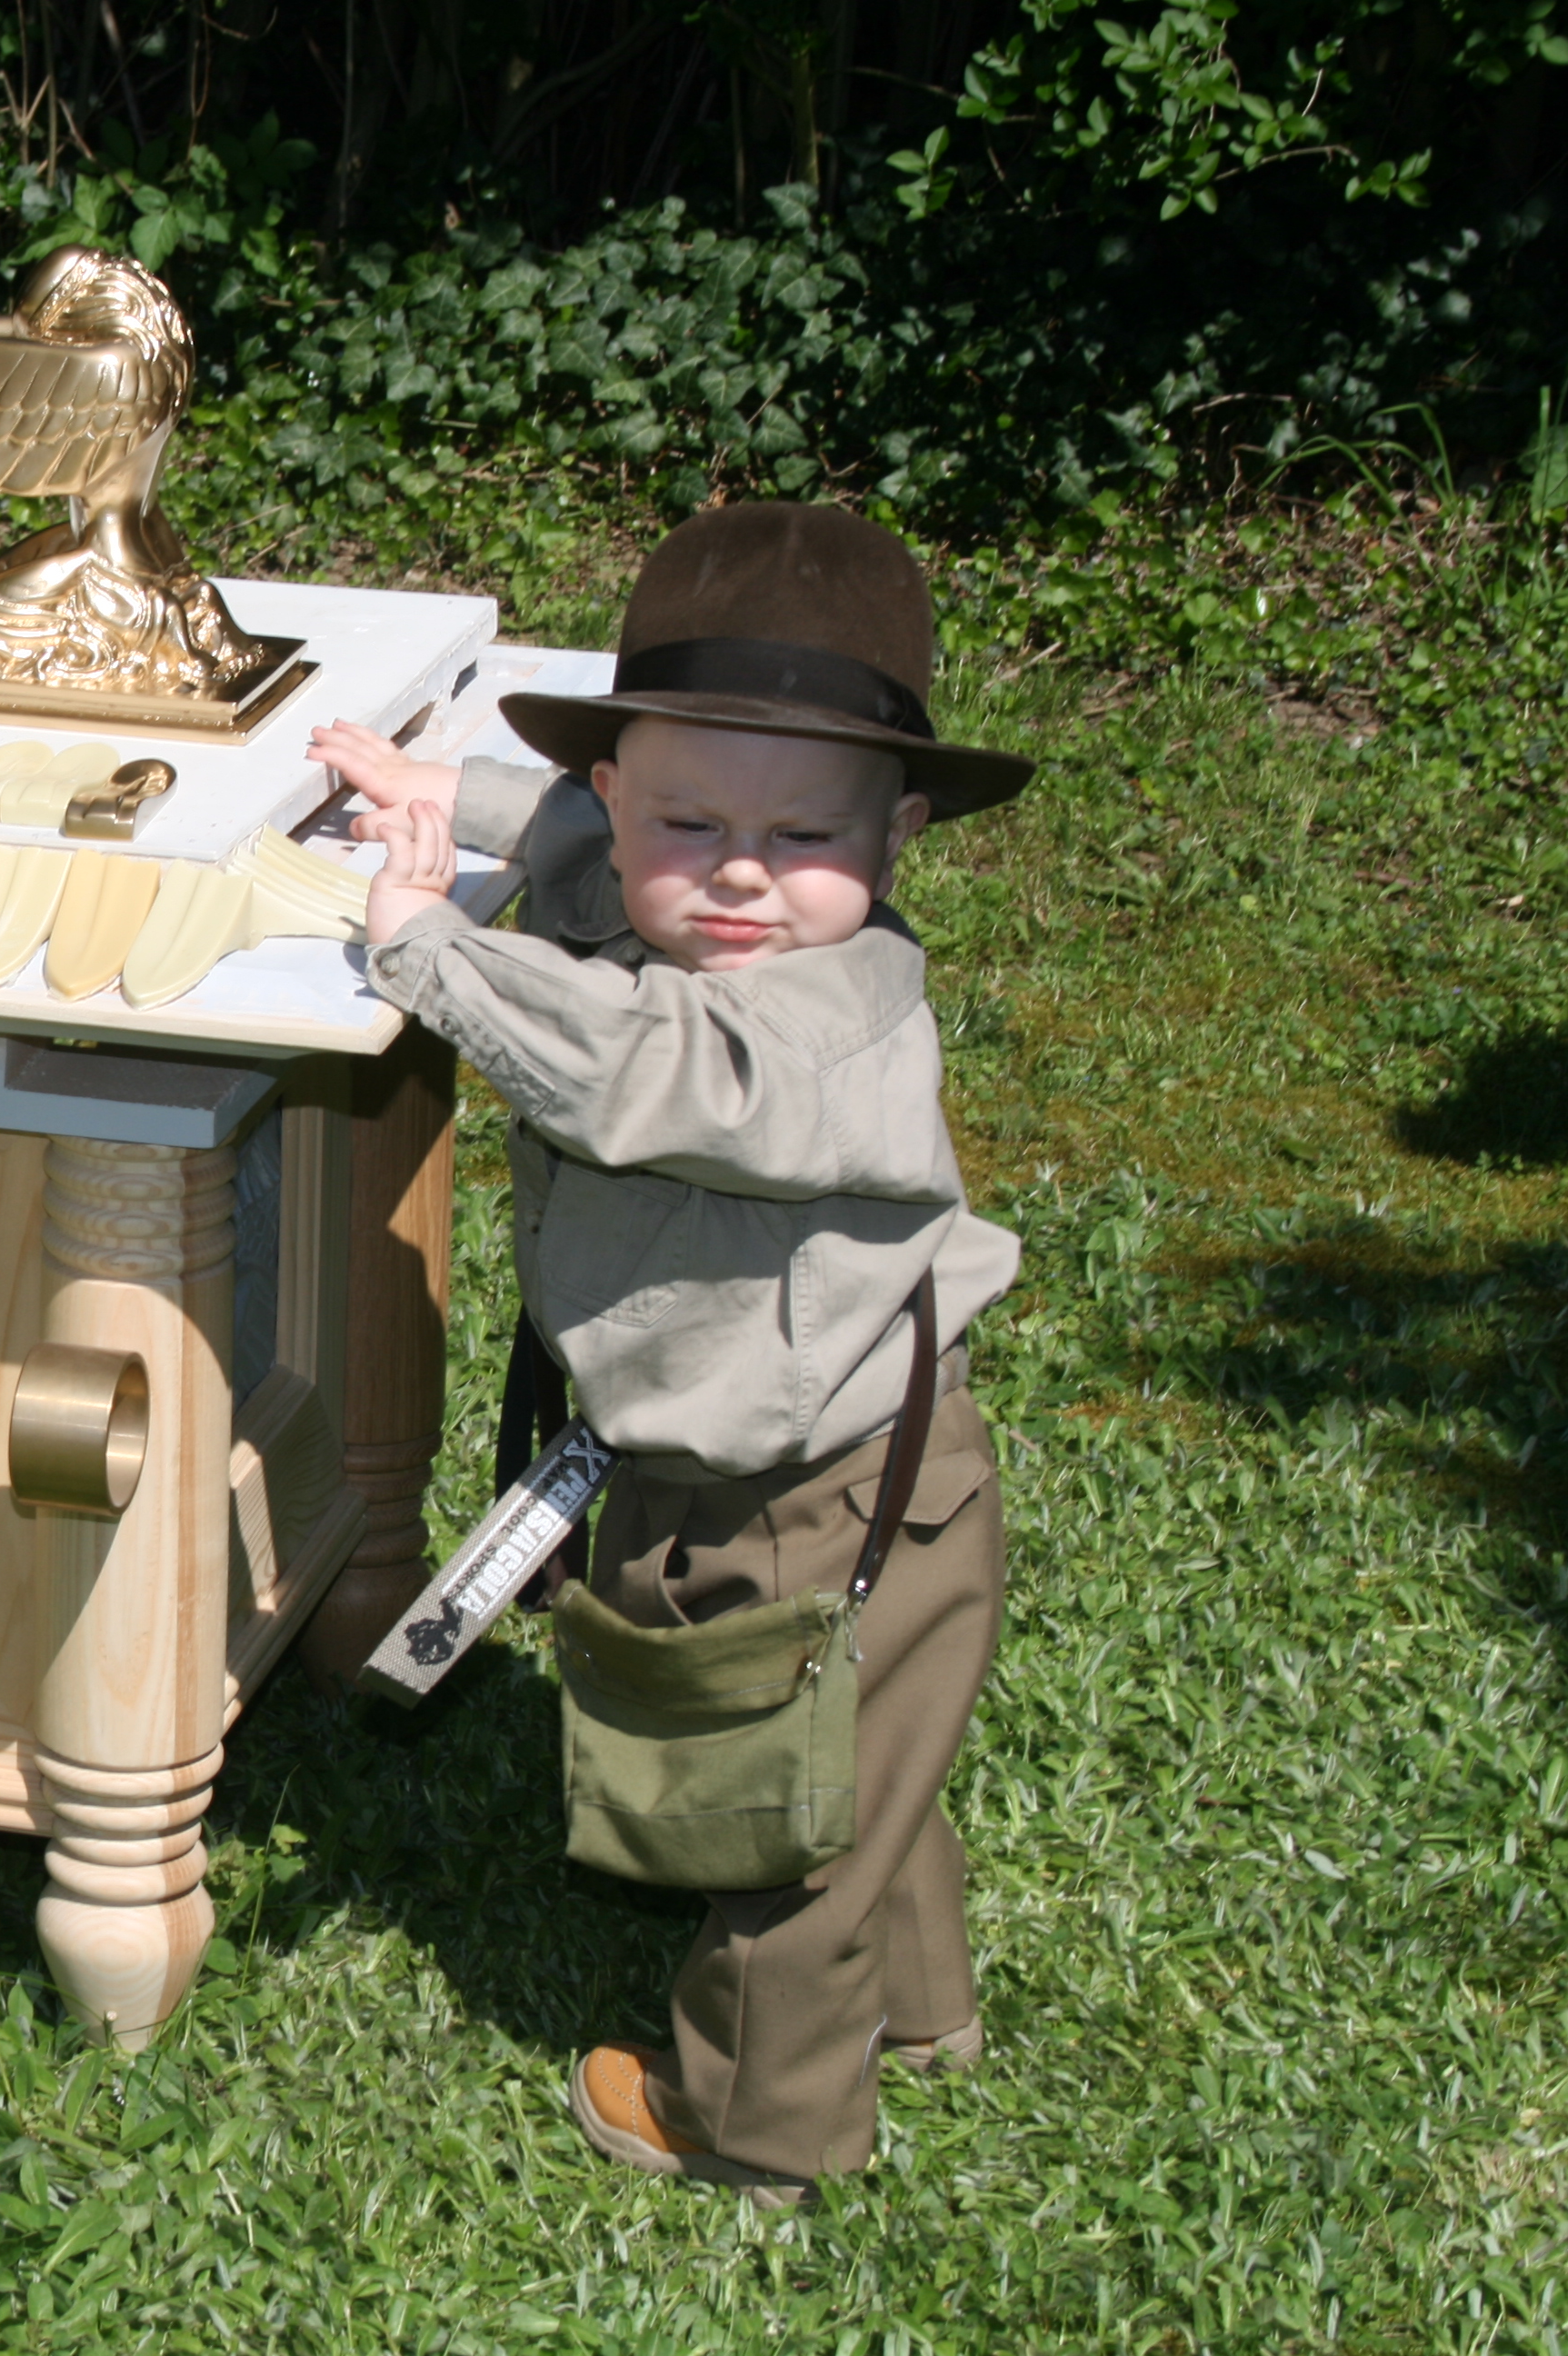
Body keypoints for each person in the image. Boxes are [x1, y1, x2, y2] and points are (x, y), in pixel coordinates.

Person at [312, 503, 1033, 2206]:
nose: (738, 872)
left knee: (775, 1827)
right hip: (808, 1470)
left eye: (801, 833)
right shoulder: (708, 894)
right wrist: (450, 794)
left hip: (822, 1500)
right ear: (622, 792)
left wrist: (426, 945)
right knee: (861, 1767)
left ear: (900, 835)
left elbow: (641, 1066)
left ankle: (753, 2128)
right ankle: (920, 2019)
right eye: (688, 819)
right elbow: (590, 843)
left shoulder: (809, 1026)